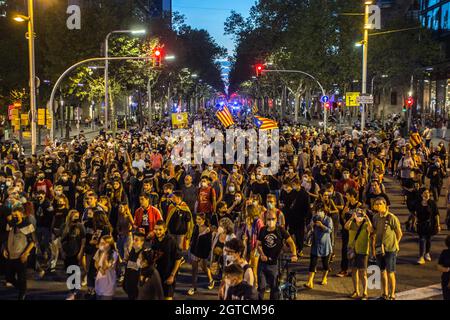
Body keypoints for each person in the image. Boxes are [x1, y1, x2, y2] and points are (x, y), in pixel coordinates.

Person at [256, 210, 297, 300]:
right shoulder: (262, 230)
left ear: (276, 219)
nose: (271, 221)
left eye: (273, 219)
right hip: (262, 263)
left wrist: (294, 254)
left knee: (274, 288)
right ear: (265, 219)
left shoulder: (280, 230)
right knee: (261, 287)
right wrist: (262, 254)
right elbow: (258, 244)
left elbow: (291, 242)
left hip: (275, 264)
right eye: (269, 219)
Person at [372, 197, 403, 300]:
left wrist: (395, 244)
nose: (378, 206)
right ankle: (384, 293)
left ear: (385, 205)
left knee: (390, 272)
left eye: (380, 204)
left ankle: (392, 294)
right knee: (382, 271)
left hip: (390, 249)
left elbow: (399, 233)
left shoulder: (391, 217)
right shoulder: (375, 217)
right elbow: (375, 231)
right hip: (379, 248)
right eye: (376, 204)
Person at [2, 206, 35, 300]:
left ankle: (22, 294)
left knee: (22, 277)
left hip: (21, 255)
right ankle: (21, 288)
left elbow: (33, 241)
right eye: (13, 215)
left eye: (16, 215)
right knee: (9, 277)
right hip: (10, 255)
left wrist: (25, 253)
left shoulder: (27, 224)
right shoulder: (10, 224)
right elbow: (6, 238)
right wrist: (4, 249)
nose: (14, 217)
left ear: (21, 213)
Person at [344, 208, 373, 300]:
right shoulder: (352, 223)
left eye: (361, 215)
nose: (359, 217)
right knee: (354, 271)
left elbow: (371, 230)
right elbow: (346, 226)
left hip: (363, 251)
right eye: (357, 215)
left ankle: (365, 292)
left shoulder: (366, 224)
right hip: (353, 250)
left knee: (363, 273)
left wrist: (367, 217)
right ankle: (356, 291)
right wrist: (352, 218)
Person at [151, 220, 183, 300]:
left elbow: (178, 259)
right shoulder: (154, 240)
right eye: (156, 229)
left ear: (165, 229)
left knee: (168, 297)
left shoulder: (171, 241)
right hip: (158, 274)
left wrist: (172, 275)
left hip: (168, 274)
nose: (157, 232)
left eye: (160, 229)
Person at [304, 206, 333, 289]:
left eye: (321, 211)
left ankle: (324, 278)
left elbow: (329, 230)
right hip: (316, 244)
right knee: (312, 263)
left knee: (325, 264)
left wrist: (322, 225)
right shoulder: (314, 218)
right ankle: (310, 281)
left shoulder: (328, 219)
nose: (319, 213)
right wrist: (311, 225)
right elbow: (308, 228)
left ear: (324, 212)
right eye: (318, 211)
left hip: (325, 245)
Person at [187, 213, 214, 296]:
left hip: (203, 253)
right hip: (194, 251)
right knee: (194, 270)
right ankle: (193, 287)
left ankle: (211, 280)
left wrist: (203, 256)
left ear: (203, 220)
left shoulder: (208, 230)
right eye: (196, 219)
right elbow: (193, 237)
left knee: (204, 268)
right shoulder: (196, 226)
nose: (197, 221)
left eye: (199, 219)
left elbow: (208, 245)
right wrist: (190, 243)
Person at [61, 210, 86, 300]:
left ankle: (75, 290)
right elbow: (61, 240)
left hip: (76, 251)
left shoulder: (80, 226)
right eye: (74, 216)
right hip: (67, 251)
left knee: (75, 270)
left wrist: (81, 252)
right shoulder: (64, 226)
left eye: (77, 216)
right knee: (69, 271)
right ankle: (72, 289)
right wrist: (62, 252)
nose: (76, 217)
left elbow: (83, 240)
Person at [414, 188, 441, 265]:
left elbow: (436, 214)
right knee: (422, 239)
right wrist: (414, 222)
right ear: (421, 194)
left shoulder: (432, 203)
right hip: (421, 224)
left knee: (428, 239)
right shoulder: (418, 203)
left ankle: (427, 253)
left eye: (428, 192)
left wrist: (438, 225)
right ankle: (421, 257)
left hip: (430, 224)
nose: (427, 194)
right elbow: (415, 214)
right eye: (425, 193)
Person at [94, 235, 119, 300]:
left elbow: (106, 267)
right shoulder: (99, 251)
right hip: (99, 284)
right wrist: (99, 268)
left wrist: (105, 253)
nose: (101, 245)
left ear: (109, 244)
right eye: (101, 243)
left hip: (109, 285)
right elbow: (96, 262)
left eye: (104, 243)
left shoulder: (114, 254)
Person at [123, 232, 145, 300]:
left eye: (136, 240)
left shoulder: (144, 253)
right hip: (129, 284)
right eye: (133, 239)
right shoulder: (132, 250)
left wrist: (129, 263)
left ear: (142, 242)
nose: (133, 242)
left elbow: (140, 267)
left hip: (137, 285)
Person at [437, 235, 450, 300]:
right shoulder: (445, 252)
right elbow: (439, 266)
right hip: (446, 279)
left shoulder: (445, 252)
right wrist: (445, 269)